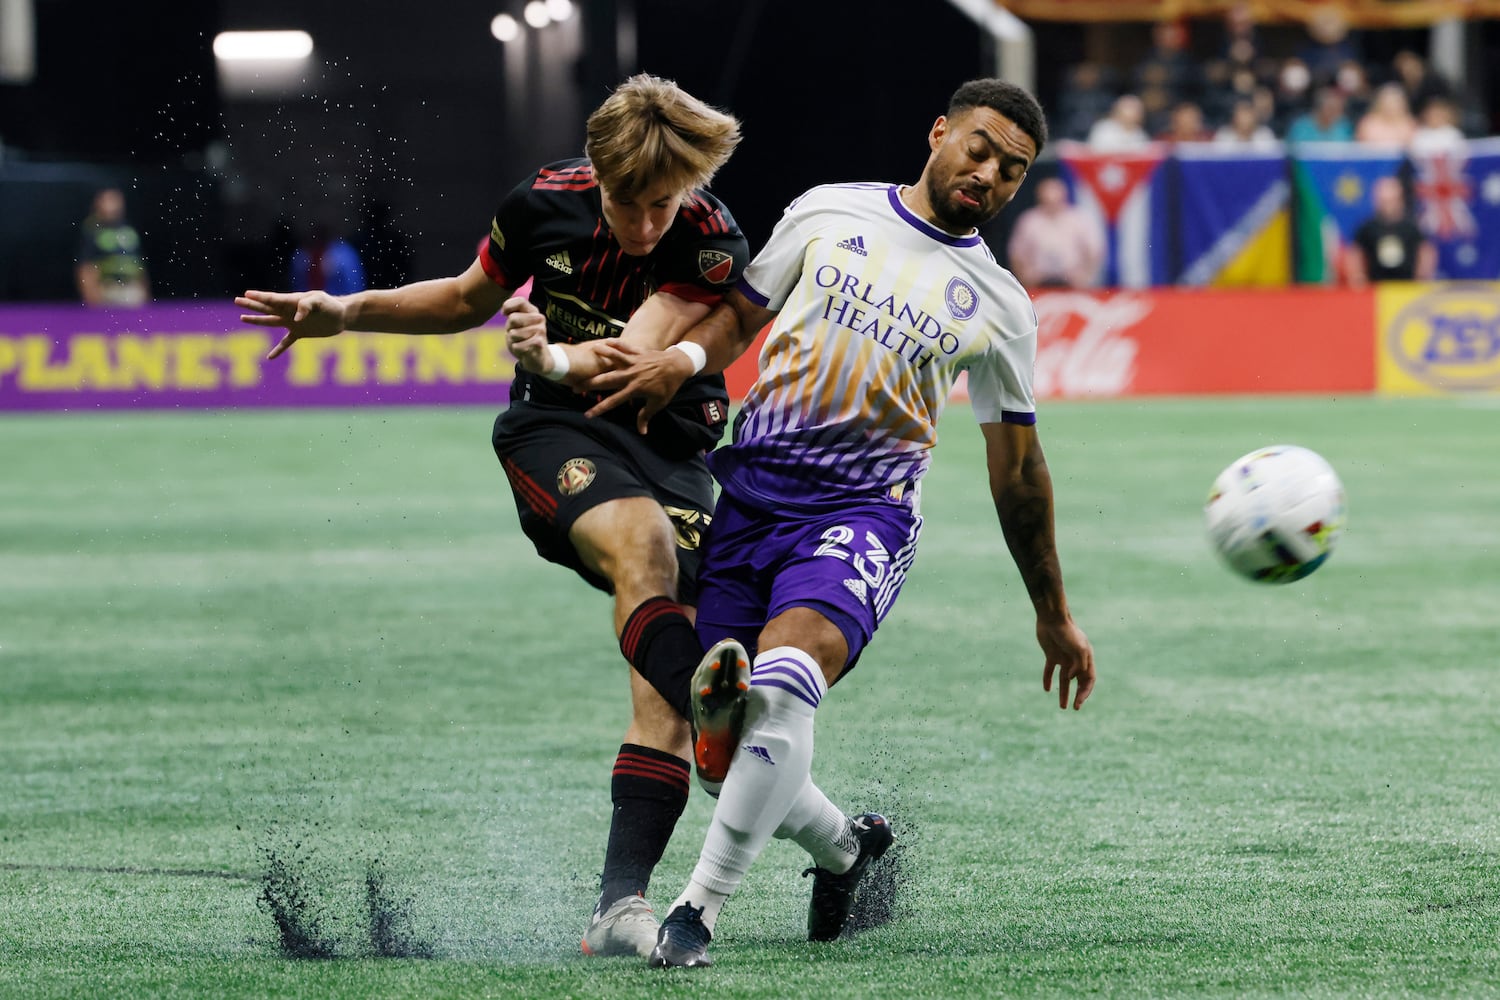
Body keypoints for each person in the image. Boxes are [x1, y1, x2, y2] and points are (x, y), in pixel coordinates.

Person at [236, 73, 750, 959]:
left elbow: (637, 350)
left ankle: (620, 907)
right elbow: (468, 299)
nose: (648, 225)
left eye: (665, 203)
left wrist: (551, 350)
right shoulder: (541, 205)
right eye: (632, 205)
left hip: (670, 451)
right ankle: (739, 730)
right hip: (554, 432)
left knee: (663, 686)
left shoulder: (708, 237)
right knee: (645, 550)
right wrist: (346, 311)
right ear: (597, 175)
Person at [588, 77, 1097, 968]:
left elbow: (1018, 473)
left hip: (862, 515)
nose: (989, 173)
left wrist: (1051, 610)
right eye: (978, 147)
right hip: (746, 498)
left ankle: (693, 914)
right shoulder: (826, 211)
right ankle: (847, 850)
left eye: (1012, 170)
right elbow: (738, 318)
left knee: (782, 683)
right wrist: (677, 360)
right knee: (728, 746)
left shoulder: (1002, 304)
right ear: (939, 132)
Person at [1005, 176, 1104, 289]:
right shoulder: (1029, 221)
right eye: (1048, 201)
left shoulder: (1080, 219)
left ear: (1064, 197)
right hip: (1037, 282)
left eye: (1055, 201)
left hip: (1074, 283)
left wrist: (1083, 277)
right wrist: (1026, 278)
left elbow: (1093, 253)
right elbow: (1016, 255)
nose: (1052, 205)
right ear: (1040, 198)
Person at [1346, 176, 1434, 286]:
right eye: (1384, 201)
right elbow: (1355, 252)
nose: (1388, 206)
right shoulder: (1368, 227)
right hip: (1376, 287)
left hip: (1407, 286)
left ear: (1400, 199)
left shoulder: (1411, 226)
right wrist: (1357, 276)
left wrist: (1422, 275)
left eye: (1391, 200)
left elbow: (1425, 250)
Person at [76, 186, 149, 307]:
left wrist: (144, 291)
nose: (114, 205)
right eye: (109, 200)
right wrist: (92, 296)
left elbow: (139, 265)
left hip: (131, 291)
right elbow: (86, 267)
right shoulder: (92, 230)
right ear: (98, 203)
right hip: (107, 290)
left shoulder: (129, 230)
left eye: (116, 200)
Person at [289, 221, 367, 296]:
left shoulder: (344, 254)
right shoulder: (301, 254)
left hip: (339, 303)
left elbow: (355, 285)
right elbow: (297, 285)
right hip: (306, 303)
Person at [1285, 86, 1354, 145]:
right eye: (1331, 109)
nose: (1335, 113)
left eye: (1339, 109)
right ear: (1319, 108)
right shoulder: (1301, 128)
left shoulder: (1344, 127)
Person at [1087, 94, 1152, 152]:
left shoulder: (1140, 134)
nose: (1132, 114)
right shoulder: (1103, 129)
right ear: (1117, 112)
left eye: (1137, 111)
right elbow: (1094, 154)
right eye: (1128, 108)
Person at [1212, 97, 1278, 149]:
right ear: (1234, 117)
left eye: (1248, 114)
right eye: (1242, 114)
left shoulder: (1265, 135)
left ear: (1255, 116)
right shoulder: (1224, 136)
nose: (1245, 119)